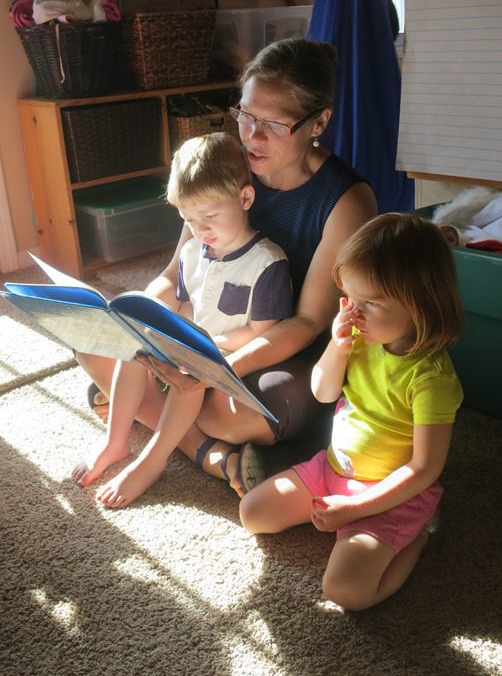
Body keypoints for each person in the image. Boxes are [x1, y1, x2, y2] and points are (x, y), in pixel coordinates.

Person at [76, 38, 377, 498]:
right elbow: (175, 275)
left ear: (319, 122)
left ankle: (152, 409)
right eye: (246, 115)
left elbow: (308, 322)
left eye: (274, 124)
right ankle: (208, 453)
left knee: (236, 413)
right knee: (93, 341)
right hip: (211, 330)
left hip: (284, 349)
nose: (252, 137)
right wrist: (145, 322)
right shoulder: (224, 166)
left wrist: (218, 366)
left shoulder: (346, 199)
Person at [239, 213, 464, 611]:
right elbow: (322, 391)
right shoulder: (360, 337)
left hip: (389, 494)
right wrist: (337, 347)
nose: (354, 315)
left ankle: (419, 533)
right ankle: (355, 523)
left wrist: (358, 509)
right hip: (332, 470)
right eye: (350, 300)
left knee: (347, 592)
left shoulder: (432, 379)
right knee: (252, 513)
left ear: (421, 303)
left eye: (370, 303)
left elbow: (425, 468)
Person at [72, 132, 293, 507]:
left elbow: (262, 332)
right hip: (195, 344)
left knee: (187, 373)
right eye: (189, 219)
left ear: (244, 198)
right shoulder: (193, 251)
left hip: (233, 359)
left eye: (209, 216)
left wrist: (203, 343)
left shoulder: (266, 262)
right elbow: (187, 303)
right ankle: (115, 441)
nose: (200, 229)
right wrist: (154, 326)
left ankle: (152, 461)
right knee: (135, 344)